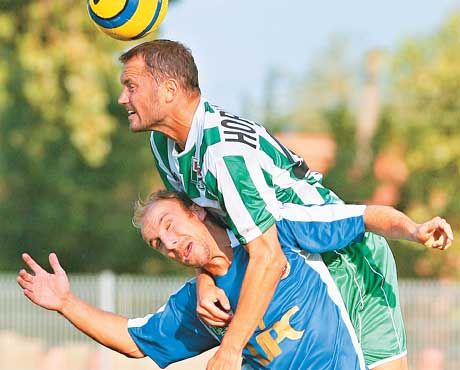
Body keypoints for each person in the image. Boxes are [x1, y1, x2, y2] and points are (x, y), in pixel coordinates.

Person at [117, 39, 449, 370]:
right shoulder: (164, 146)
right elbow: (202, 227)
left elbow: (269, 256)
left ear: (170, 89)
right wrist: (205, 281)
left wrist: (231, 349)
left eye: (131, 86)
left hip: (343, 260)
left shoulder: (225, 155)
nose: (123, 98)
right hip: (296, 264)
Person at [16, 190, 453, 370]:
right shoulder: (197, 305)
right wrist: (66, 303)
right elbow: (133, 340)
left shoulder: (275, 233)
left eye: (169, 224)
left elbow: (362, 216)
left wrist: (414, 230)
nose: (168, 242)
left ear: (197, 211)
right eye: (156, 243)